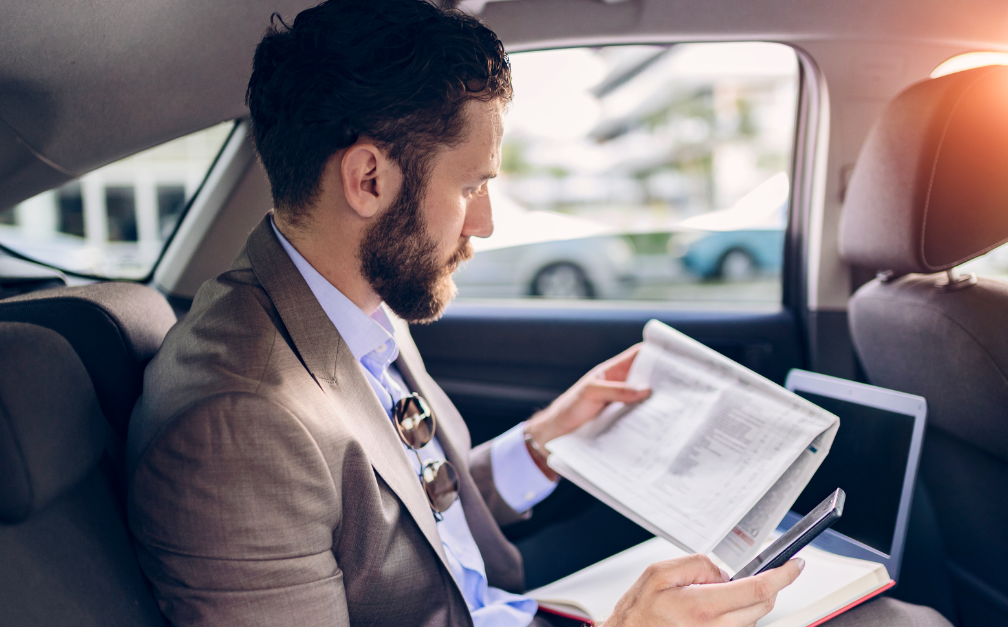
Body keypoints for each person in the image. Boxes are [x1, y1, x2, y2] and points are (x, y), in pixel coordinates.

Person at [125, 2, 952, 626]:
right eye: (472, 185)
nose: (485, 223)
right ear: (369, 180)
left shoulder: (351, 300)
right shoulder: (236, 425)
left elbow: (407, 530)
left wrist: (543, 444)